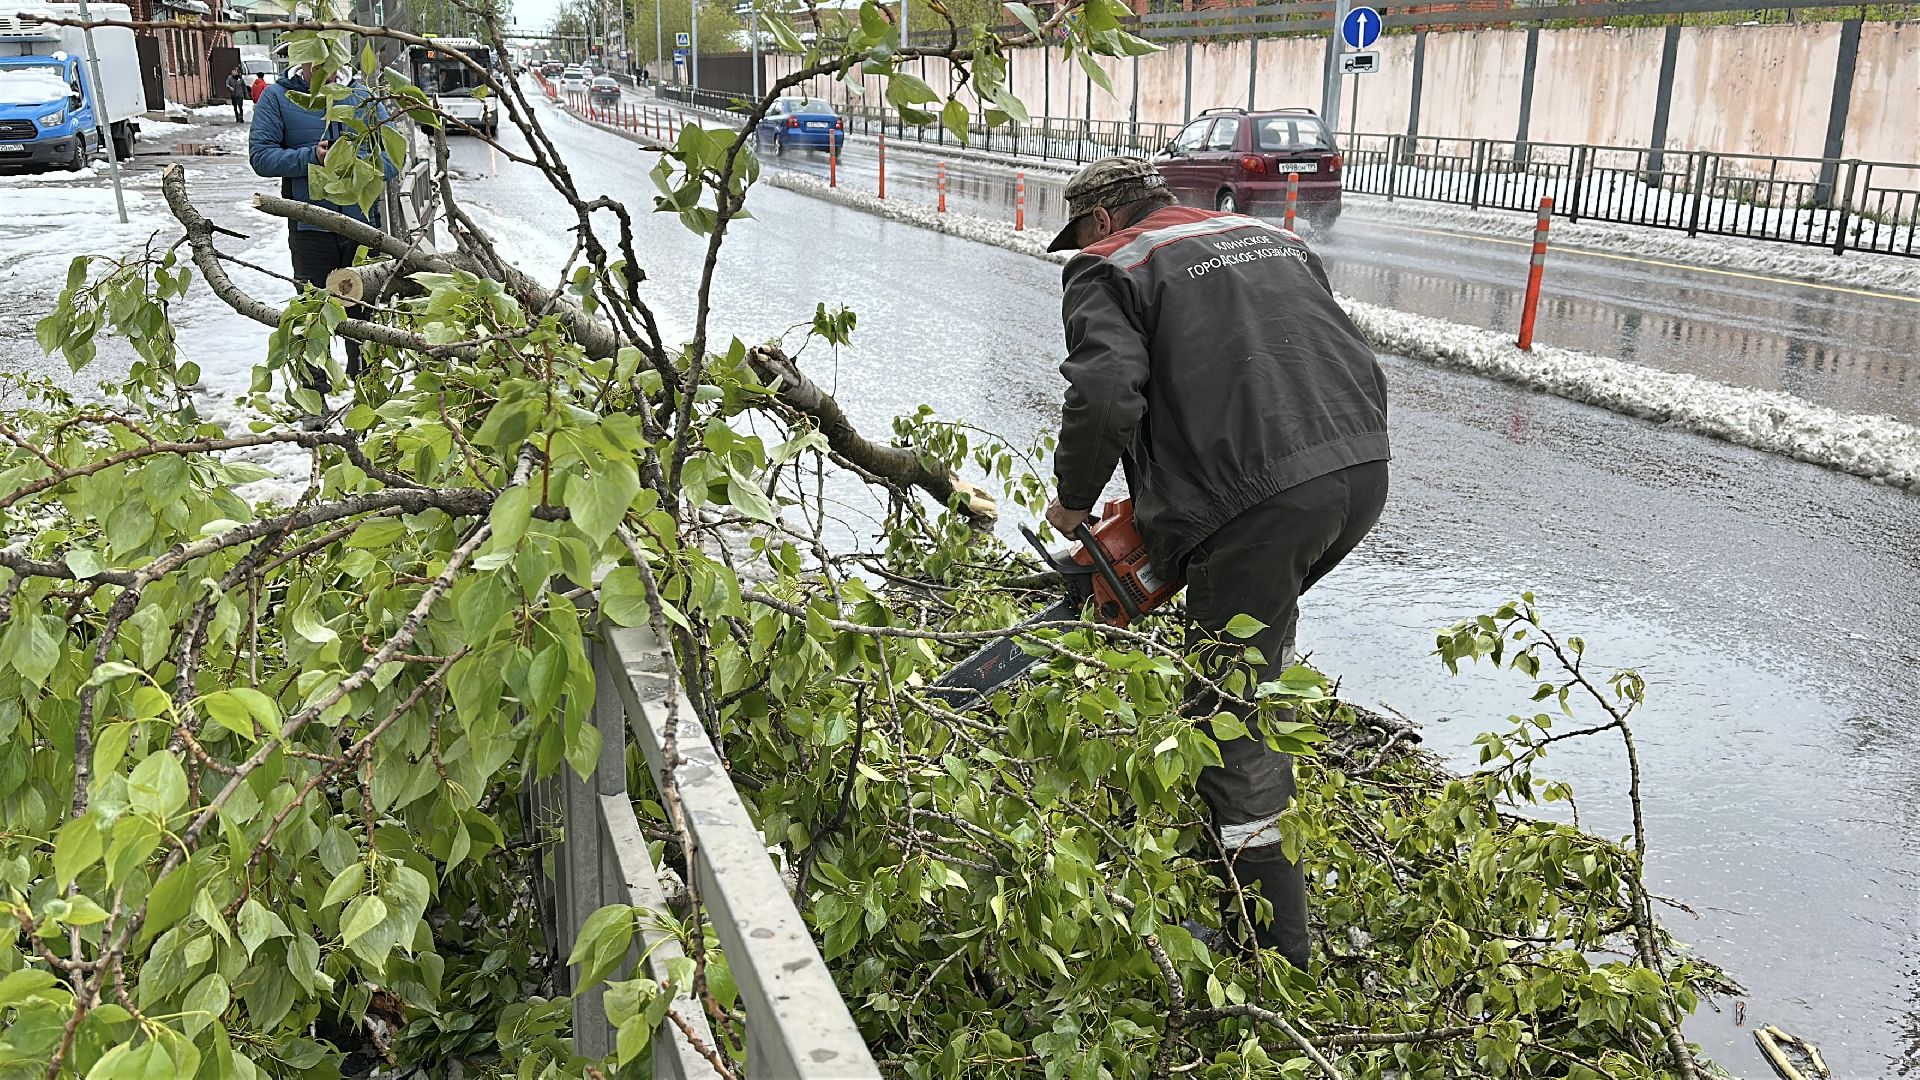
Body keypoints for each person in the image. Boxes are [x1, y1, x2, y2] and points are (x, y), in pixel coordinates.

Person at [1043, 157, 1390, 973]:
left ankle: (1273, 956)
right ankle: (1239, 877)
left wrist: (1072, 499)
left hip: (1264, 499)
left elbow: (1105, 394)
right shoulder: (1262, 235)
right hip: (1359, 469)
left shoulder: (1108, 263)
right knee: (1251, 651)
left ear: (1098, 220)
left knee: (1230, 711)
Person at [248, 62, 398, 408]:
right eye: (315, 53)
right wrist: (311, 158)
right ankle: (313, 400)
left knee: (364, 314)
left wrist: (353, 162)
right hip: (310, 227)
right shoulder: (279, 98)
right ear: (302, 55)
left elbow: (392, 161)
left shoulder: (362, 97)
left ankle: (368, 396)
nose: (325, 64)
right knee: (311, 314)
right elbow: (261, 157)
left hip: (363, 228)